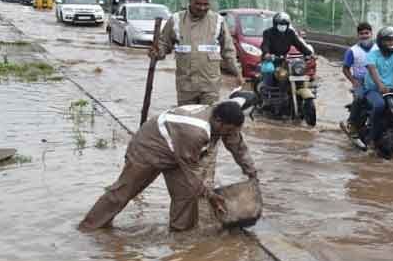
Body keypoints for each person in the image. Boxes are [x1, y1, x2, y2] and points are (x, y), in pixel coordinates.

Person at [78, 96, 258, 232]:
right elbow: (191, 172)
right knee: (123, 191)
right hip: (149, 148)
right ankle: (90, 227)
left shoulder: (226, 121)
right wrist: (211, 196)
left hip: (177, 151)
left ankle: (180, 235)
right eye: (227, 131)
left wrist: (252, 173)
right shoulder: (196, 131)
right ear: (218, 121)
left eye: (233, 131)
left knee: (186, 195)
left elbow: (238, 146)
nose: (229, 134)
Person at [151, 0, 243, 106]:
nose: (202, 8)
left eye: (206, 4)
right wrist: (157, 53)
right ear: (190, 1)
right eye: (198, 4)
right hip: (186, 86)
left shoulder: (218, 21)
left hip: (210, 86)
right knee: (186, 120)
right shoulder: (176, 20)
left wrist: (238, 73)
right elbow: (163, 44)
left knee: (208, 119)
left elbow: (228, 51)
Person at [340, 22, 374, 138]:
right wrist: (353, 81)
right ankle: (351, 123)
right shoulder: (352, 51)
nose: (364, 36)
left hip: (376, 81)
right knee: (359, 98)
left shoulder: (378, 49)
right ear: (358, 35)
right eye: (361, 34)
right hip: (360, 81)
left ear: (371, 34)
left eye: (367, 33)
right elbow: (345, 69)